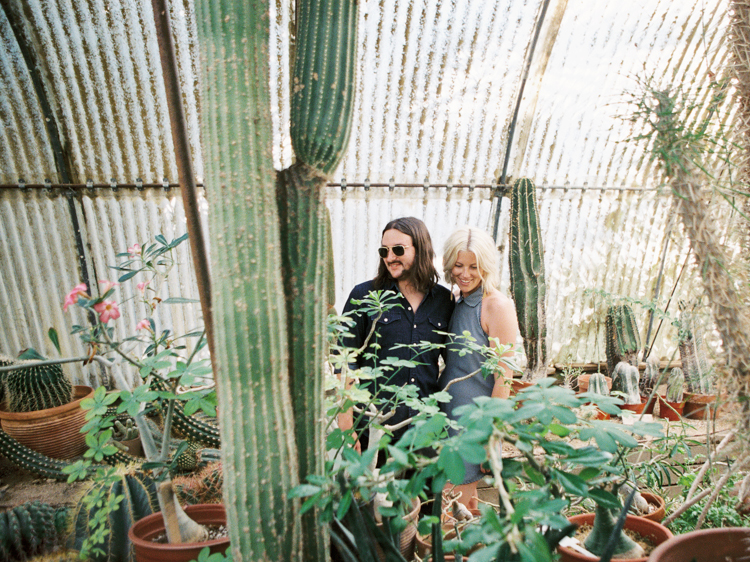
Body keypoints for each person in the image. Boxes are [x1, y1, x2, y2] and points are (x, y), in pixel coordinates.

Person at [339, 217, 454, 453]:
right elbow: (344, 361)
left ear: (421, 249)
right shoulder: (363, 296)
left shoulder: (444, 300)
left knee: (421, 491)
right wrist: (346, 425)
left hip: (424, 430)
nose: (390, 257)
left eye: (398, 249)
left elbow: (456, 364)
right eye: (384, 250)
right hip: (374, 426)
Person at [439, 226, 519, 510]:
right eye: (458, 265)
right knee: (464, 511)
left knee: (449, 513)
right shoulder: (458, 300)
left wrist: (490, 438)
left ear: (486, 266)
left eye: (474, 266)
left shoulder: (496, 305)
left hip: (474, 426)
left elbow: (504, 377)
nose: (465, 273)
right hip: (450, 417)